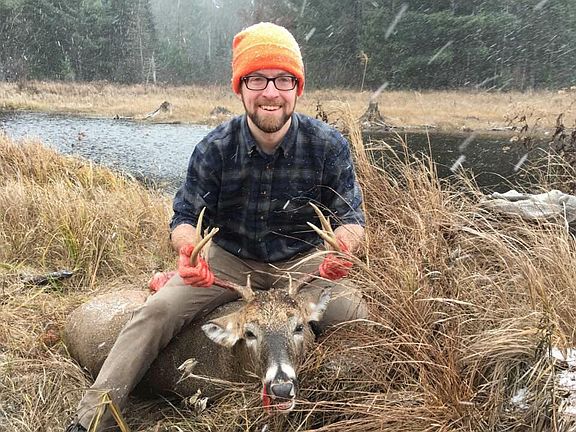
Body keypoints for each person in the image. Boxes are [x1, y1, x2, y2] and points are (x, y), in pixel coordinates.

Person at [66, 22, 367, 432]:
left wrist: (342, 249)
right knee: (156, 313)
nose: (270, 92)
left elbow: (351, 219)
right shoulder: (215, 148)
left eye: (283, 80)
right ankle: (94, 418)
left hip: (303, 264)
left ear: (297, 88)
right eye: (257, 79)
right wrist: (188, 251)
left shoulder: (328, 145)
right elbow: (184, 218)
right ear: (240, 88)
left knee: (358, 320)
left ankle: (357, 409)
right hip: (228, 262)